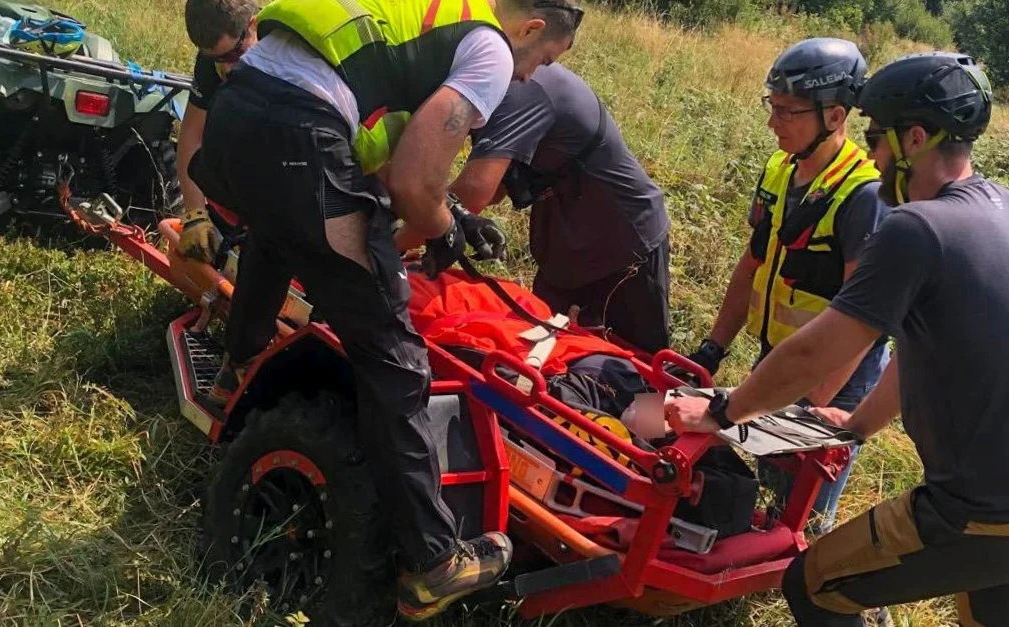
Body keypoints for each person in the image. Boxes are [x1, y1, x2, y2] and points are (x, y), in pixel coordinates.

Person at [192, 0, 581, 620]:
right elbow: (411, 183)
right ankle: (433, 561)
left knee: (281, 228)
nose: (527, 78)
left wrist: (436, 215)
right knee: (394, 358)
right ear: (532, 28)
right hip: (297, 135)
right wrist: (443, 224)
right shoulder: (488, 48)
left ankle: (232, 370)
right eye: (540, 62)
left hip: (238, 123)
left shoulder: (426, 9)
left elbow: (376, 163)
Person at [663, 51, 1009, 627]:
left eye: (877, 139)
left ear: (915, 139)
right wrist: (857, 425)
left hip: (977, 510)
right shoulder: (997, 207)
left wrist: (724, 410)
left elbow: (817, 351)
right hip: (995, 510)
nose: (871, 157)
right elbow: (921, 343)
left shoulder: (917, 228)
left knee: (816, 584)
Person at [684, 37, 891, 535]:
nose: (773, 122)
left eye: (788, 111)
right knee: (770, 470)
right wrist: (713, 348)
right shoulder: (781, 169)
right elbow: (752, 264)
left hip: (838, 371)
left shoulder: (863, 196)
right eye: (771, 106)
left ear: (836, 116)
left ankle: (812, 569)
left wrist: (810, 403)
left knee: (809, 501)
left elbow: (862, 320)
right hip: (782, 349)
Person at [396, 62, 673, 354]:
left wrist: (394, 245)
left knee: (637, 370)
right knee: (542, 351)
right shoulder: (490, 89)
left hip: (623, 244)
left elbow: (475, 192)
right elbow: (496, 186)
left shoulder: (522, 89)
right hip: (565, 246)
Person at [174, 0, 260, 262]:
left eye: (234, 55)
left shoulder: (287, 46)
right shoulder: (212, 60)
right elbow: (191, 134)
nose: (226, 67)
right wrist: (195, 214)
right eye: (217, 59)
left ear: (253, 25)